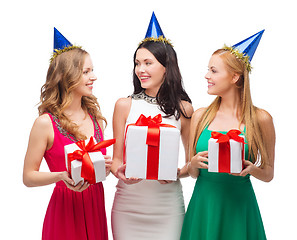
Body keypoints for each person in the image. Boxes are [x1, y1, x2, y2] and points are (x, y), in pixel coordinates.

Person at [180, 30, 275, 240]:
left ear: (235, 77)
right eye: (208, 70)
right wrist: (193, 164)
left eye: (213, 71)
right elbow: (193, 172)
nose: (207, 76)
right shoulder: (200, 116)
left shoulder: (260, 119)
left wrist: (252, 170)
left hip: (239, 207)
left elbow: (268, 173)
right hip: (204, 205)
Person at [110, 13, 193, 240]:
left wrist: (176, 174)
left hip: (167, 207)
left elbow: (191, 165)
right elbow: (117, 158)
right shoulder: (124, 105)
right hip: (128, 206)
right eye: (137, 63)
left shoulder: (184, 109)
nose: (140, 70)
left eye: (148, 63)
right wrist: (119, 170)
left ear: (166, 67)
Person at [23, 28, 110, 240]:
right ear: (66, 76)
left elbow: (98, 173)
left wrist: (104, 168)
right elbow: (28, 176)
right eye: (86, 72)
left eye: (92, 71)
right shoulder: (45, 123)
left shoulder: (97, 120)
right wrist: (61, 176)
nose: (94, 77)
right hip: (64, 211)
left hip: (95, 206)